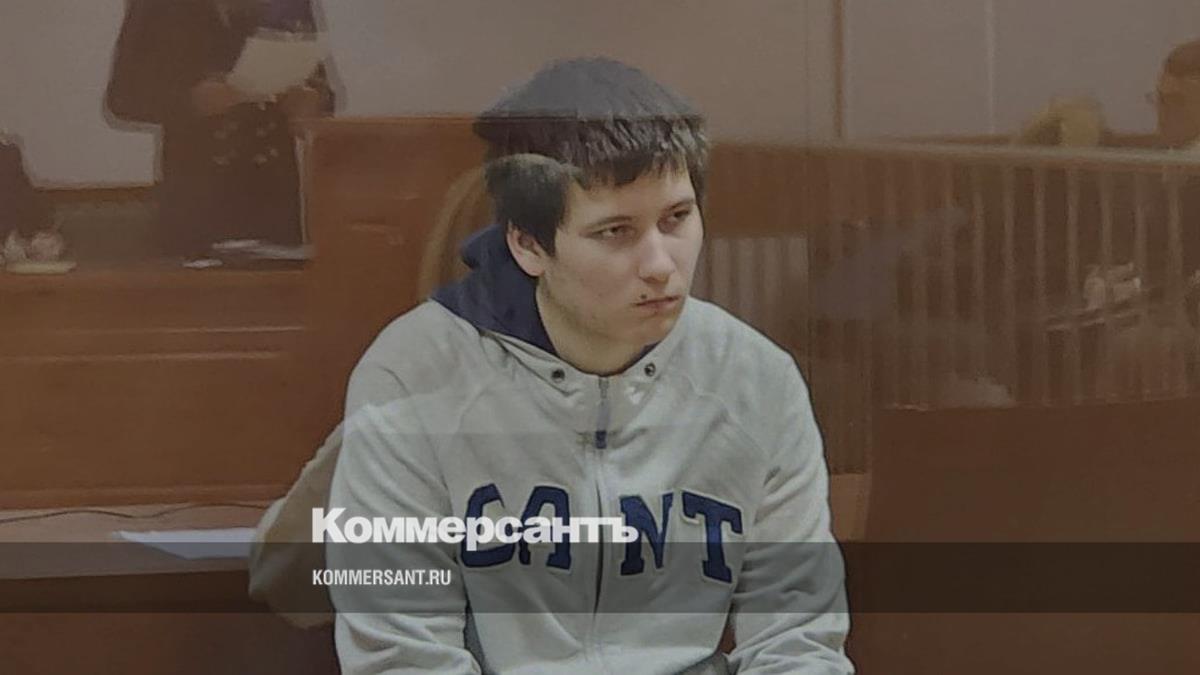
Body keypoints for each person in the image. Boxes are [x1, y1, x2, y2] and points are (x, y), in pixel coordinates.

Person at [324, 57, 853, 674]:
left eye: (676, 219)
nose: (661, 264)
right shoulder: (412, 377)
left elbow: (797, 641)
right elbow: (401, 655)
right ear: (527, 244)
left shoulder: (757, 380)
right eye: (615, 232)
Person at [105, 0, 335, 258]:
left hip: (275, 201)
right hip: (195, 200)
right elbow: (122, 97)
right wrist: (190, 101)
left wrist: (312, 100)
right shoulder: (159, 6)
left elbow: (321, 88)